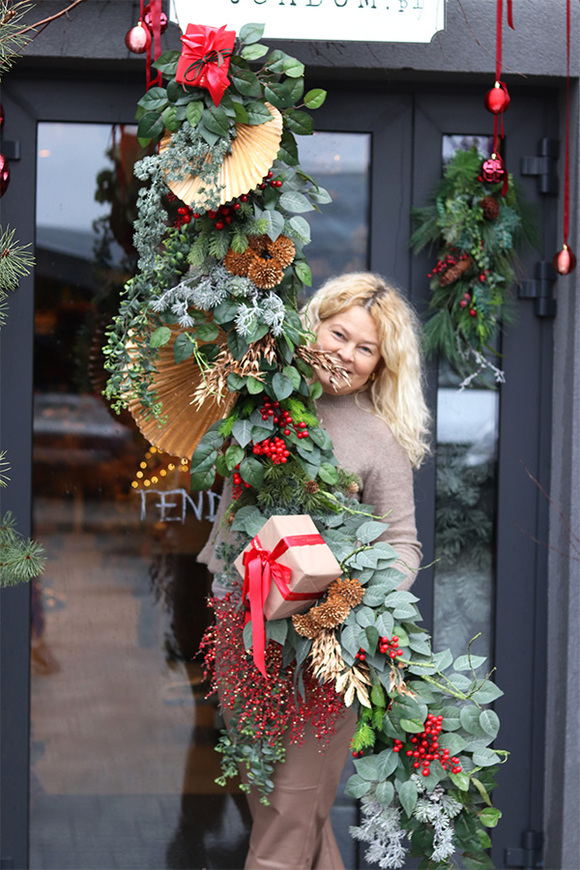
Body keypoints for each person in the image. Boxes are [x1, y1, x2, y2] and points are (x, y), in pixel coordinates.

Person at [197, 271, 430, 869]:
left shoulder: (379, 441)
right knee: (289, 814)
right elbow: (231, 524)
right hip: (244, 635)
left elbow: (403, 545)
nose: (346, 355)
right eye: (339, 334)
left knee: (285, 823)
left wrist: (347, 603)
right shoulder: (264, 405)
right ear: (315, 324)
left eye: (365, 348)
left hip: (321, 656)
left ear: (380, 366)